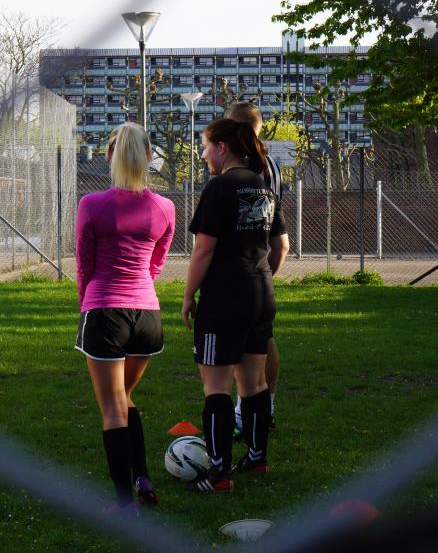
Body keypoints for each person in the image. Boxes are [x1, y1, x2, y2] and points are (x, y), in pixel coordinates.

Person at [181, 118, 286, 493]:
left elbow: (203, 250)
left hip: (224, 298)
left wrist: (188, 295)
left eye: (205, 146)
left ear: (222, 148)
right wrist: (258, 273)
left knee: (216, 387)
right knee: (254, 383)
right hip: (261, 292)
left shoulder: (219, 187)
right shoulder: (263, 186)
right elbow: (280, 245)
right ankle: (257, 459)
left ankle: (219, 473)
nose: (203, 154)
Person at [75, 122, 176, 512]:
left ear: (109, 156)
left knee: (113, 407)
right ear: (149, 156)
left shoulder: (92, 204)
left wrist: (87, 305)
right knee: (125, 397)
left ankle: (123, 504)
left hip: (105, 311)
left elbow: (84, 266)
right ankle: (143, 478)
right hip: (147, 316)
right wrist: (138, 289)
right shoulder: (165, 207)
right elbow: (156, 264)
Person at [225, 103, 290, 435]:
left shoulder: (241, 164)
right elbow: (280, 236)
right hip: (261, 265)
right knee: (264, 337)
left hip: (239, 268)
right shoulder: (272, 165)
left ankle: (243, 411)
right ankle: (265, 408)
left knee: (237, 344)